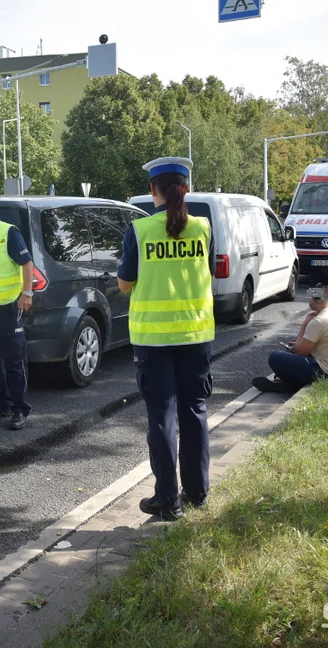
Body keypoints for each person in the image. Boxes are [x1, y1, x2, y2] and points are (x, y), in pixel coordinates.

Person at [118, 157, 215, 521]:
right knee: (195, 412)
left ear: (152, 190)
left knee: (162, 415)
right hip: (196, 335)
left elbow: (125, 284)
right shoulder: (203, 228)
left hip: (154, 340)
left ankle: (167, 500)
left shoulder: (140, 232)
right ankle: (198, 493)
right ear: (186, 188)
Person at [0, 195, 35, 430]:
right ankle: (0, 402)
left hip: (10, 308)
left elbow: (27, 264)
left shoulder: (8, 233)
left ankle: (20, 409)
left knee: (14, 360)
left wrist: (27, 293)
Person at [253, 294, 328, 394]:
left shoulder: (318, 321)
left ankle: (290, 384)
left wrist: (305, 324)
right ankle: (289, 381)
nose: (308, 299)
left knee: (275, 357)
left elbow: (299, 351)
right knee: (292, 347)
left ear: (318, 300)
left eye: (310, 297)